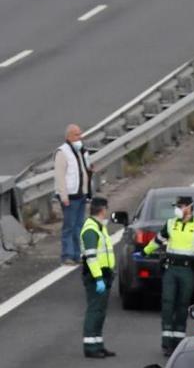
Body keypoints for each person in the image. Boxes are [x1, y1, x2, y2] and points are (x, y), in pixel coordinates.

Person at [136, 196, 194, 356]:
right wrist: (143, 252)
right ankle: (166, 343)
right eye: (177, 206)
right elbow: (157, 241)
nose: (178, 209)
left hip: (187, 271)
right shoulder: (170, 224)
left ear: (189, 208)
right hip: (171, 269)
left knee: (182, 305)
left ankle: (178, 342)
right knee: (168, 303)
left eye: (180, 206)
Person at [79, 196, 115, 359]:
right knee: (94, 310)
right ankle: (90, 346)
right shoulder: (91, 230)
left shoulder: (99, 227)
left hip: (104, 274)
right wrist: (99, 278)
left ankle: (98, 344)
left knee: (100, 311)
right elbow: (91, 257)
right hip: (96, 277)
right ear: (102, 210)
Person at [54, 123, 93, 265]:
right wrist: (64, 196)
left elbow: (84, 170)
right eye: (77, 134)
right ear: (69, 136)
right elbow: (60, 176)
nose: (80, 137)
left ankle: (77, 255)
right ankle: (67, 255)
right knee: (69, 227)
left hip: (81, 194)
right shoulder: (62, 152)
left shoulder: (81, 150)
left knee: (79, 227)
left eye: (80, 134)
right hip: (70, 196)